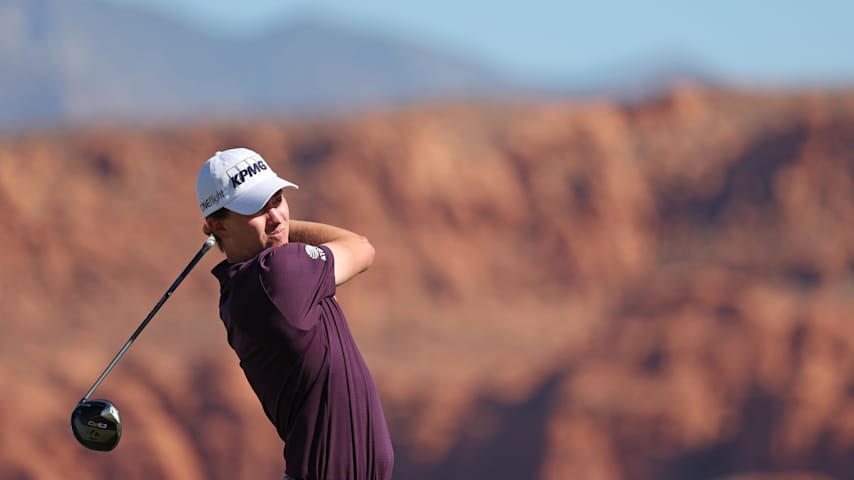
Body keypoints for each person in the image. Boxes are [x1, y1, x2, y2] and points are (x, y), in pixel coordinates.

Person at [195, 147, 394, 480]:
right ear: (218, 225)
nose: (276, 216)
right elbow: (362, 247)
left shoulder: (241, 287)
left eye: (277, 200)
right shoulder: (278, 273)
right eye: (256, 209)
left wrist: (269, 228)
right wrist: (283, 229)